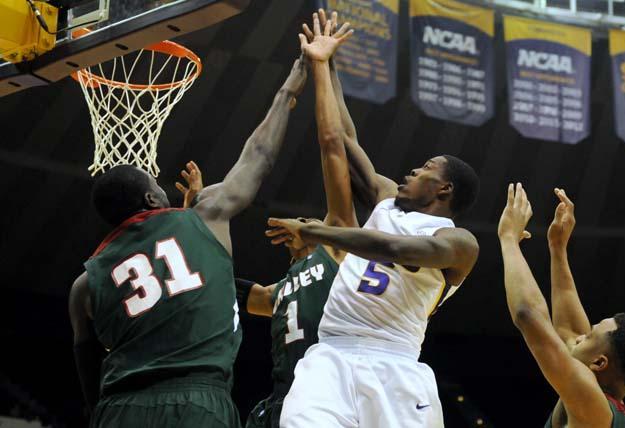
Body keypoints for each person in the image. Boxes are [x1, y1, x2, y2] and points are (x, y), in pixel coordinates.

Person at [67, 56, 308, 428]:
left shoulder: (84, 284)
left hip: (118, 406)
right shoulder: (205, 216)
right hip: (197, 400)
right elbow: (258, 158)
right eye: (155, 186)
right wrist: (286, 91)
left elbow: (86, 363)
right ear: (151, 201)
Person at [270, 12, 480, 428]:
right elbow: (344, 139)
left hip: (396, 364)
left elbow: (396, 249)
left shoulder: (459, 244)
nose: (412, 172)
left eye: (425, 169)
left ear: (445, 190)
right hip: (332, 353)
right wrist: (326, 64)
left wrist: (311, 229)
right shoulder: (387, 201)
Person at [236, 11, 357, 428]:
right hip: (281, 400)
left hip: (331, 399)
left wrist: (324, 68)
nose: (302, 222)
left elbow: (334, 149)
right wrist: (190, 217)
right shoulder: (278, 291)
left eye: (310, 220)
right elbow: (217, 284)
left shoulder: (338, 247)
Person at [497, 184, 625, 428]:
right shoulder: (603, 401)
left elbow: (528, 316)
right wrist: (557, 248)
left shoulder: (594, 407)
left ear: (599, 363)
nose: (578, 337)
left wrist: (509, 239)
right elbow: (570, 330)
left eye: (588, 337)